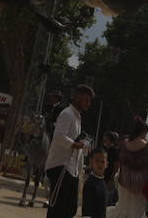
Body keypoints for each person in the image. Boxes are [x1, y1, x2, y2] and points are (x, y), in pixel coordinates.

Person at [44, 84, 95, 218]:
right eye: (86, 99)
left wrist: (82, 145)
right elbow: (59, 136)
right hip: (60, 166)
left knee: (70, 209)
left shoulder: (77, 117)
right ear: (77, 97)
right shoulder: (67, 114)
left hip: (71, 170)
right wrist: (76, 145)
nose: (88, 104)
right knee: (58, 209)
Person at [115, 117, 148, 218]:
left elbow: (120, 160)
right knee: (136, 212)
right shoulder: (146, 146)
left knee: (123, 209)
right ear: (143, 131)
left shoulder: (125, 143)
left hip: (123, 180)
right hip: (139, 185)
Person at [82, 149, 111, 218]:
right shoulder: (90, 183)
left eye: (102, 161)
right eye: (97, 161)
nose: (100, 164)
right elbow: (86, 208)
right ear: (91, 162)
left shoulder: (102, 182)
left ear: (106, 164)